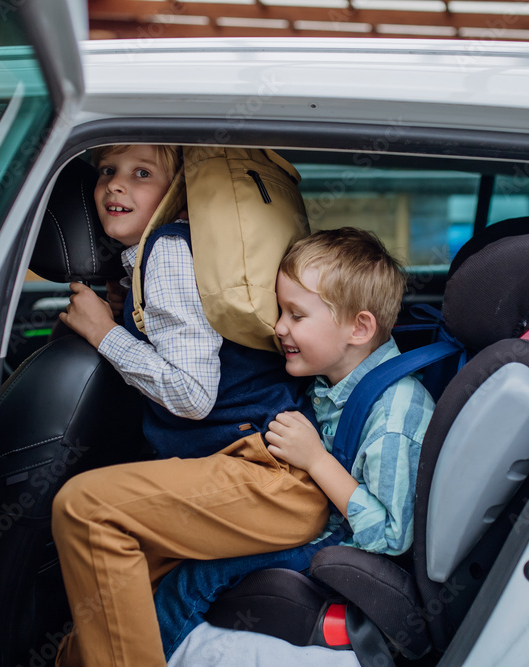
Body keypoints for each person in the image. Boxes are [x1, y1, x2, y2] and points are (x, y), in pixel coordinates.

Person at [51, 143, 329, 667]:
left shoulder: (170, 252)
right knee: (80, 648)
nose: (115, 184)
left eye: (141, 173)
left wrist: (103, 332)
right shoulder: (150, 261)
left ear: (175, 192)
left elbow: (192, 395)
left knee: (86, 509)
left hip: (267, 478)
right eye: (107, 171)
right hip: (242, 473)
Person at [156, 227, 436, 661]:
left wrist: (317, 460)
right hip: (316, 518)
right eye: (278, 310)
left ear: (359, 328)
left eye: (296, 315)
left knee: (195, 578)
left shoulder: (394, 416)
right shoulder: (333, 379)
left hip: (346, 547)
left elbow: (392, 537)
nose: (278, 327)